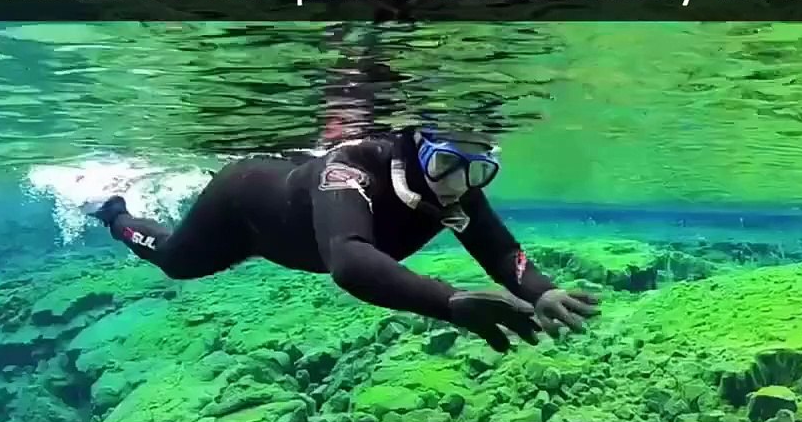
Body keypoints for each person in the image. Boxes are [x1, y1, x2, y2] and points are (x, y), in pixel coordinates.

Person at [82, 26, 599, 353]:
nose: (457, 184)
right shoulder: (352, 169)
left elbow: (500, 250)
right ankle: (114, 212)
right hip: (242, 203)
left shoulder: (455, 181)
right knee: (175, 262)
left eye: (477, 172)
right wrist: (450, 301)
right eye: (445, 164)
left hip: (293, 213)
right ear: (417, 146)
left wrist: (541, 291)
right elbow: (349, 261)